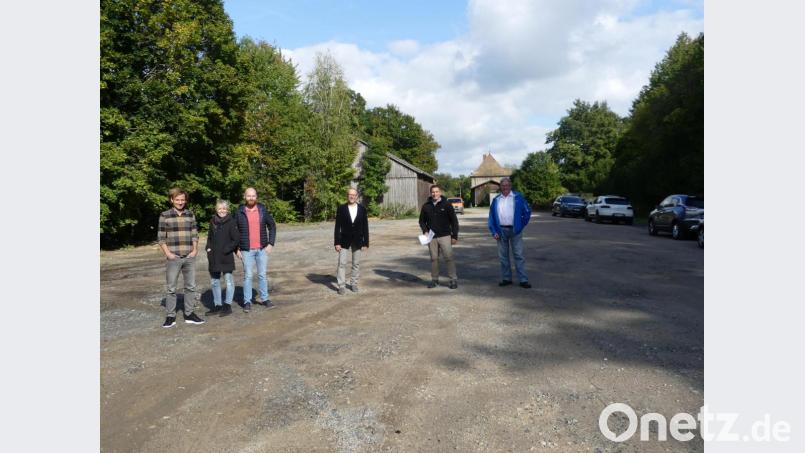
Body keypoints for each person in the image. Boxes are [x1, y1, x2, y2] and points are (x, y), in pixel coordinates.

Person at [157, 188, 205, 327]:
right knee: (171, 288)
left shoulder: (190, 214)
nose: (180, 202)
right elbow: (161, 238)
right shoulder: (164, 215)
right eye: (177, 199)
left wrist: (195, 250)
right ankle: (170, 316)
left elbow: (195, 234)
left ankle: (189, 314)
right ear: (171, 200)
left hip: (189, 257)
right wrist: (168, 254)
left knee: (190, 287)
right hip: (174, 257)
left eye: (182, 200)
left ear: (185, 200)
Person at [235, 188, 277, 313]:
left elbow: (272, 226)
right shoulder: (239, 212)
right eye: (249, 196)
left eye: (253, 196)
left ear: (256, 197)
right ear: (245, 197)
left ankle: (265, 299)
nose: (251, 198)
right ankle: (247, 301)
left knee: (262, 275)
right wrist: (236, 249)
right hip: (246, 250)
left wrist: (271, 243)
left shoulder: (262, 210)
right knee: (248, 276)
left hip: (262, 249)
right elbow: (233, 231)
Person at [488, 177, 532, 288]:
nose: (505, 187)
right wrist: (494, 232)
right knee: (503, 257)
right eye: (503, 186)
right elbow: (491, 218)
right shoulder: (496, 200)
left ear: (510, 186)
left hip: (515, 230)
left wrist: (521, 225)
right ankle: (506, 278)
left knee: (518, 255)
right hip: (500, 230)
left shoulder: (518, 197)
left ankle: (523, 280)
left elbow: (527, 211)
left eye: (507, 185)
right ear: (500, 187)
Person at [419, 184, 459, 289]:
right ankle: (434, 279)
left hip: (445, 235)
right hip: (432, 237)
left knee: (449, 258)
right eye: (433, 192)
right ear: (430, 193)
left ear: (440, 192)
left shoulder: (447, 205)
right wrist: (425, 231)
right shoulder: (426, 206)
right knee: (434, 259)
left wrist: (454, 236)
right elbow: (421, 221)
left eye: (437, 192)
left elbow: (454, 221)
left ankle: (453, 279)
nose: (435, 194)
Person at [204, 200, 240, 316]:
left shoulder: (231, 222)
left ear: (227, 210)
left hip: (226, 256)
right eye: (220, 208)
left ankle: (227, 305)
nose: (222, 211)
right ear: (216, 209)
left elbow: (236, 239)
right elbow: (209, 237)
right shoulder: (212, 221)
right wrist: (208, 248)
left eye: (224, 208)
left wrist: (227, 249)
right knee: (215, 281)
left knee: (228, 281)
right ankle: (217, 305)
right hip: (214, 256)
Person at [333, 188, 369, 295]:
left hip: (358, 240)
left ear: (357, 196)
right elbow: (337, 227)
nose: (351, 196)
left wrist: (366, 242)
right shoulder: (341, 208)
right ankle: (342, 286)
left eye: (354, 195)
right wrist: (337, 242)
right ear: (347, 196)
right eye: (350, 195)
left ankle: (354, 284)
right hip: (344, 240)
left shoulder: (362, 209)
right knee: (341, 263)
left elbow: (365, 227)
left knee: (356, 264)